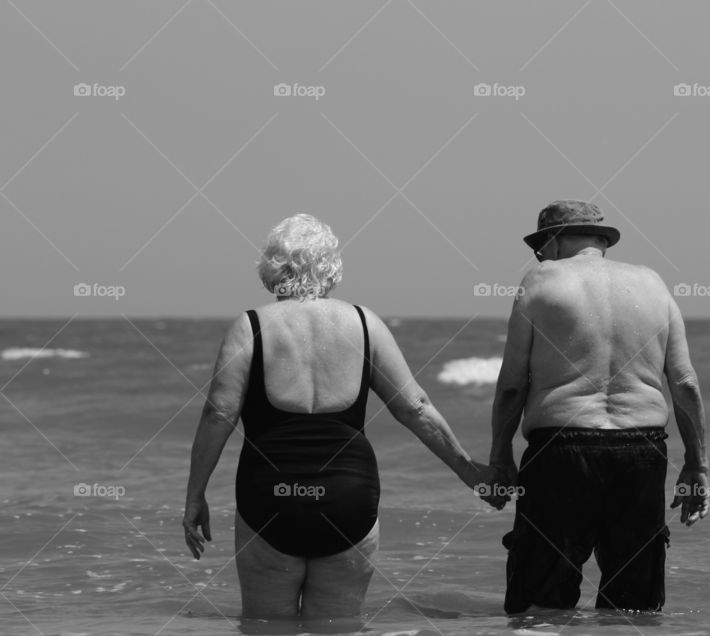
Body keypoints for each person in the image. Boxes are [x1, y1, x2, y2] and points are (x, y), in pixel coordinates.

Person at [182, 214, 496, 622]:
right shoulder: (365, 324)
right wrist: (470, 472)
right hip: (348, 500)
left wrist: (195, 496)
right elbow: (415, 408)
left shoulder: (250, 327)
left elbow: (219, 413)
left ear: (272, 268)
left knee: (266, 628)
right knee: (338, 627)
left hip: (269, 500)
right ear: (331, 267)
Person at [488, 200, 709, 613]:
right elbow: (685, 385)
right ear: (600, 241)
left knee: (540, 603)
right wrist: (697, 466)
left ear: (553, 240)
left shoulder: (540, 280)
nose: (540, 257)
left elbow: (513, 387)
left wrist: (500, 456)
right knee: (634, 607)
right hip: (642, 451)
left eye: (539, 249)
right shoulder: (652, 284)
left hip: (561, 451)